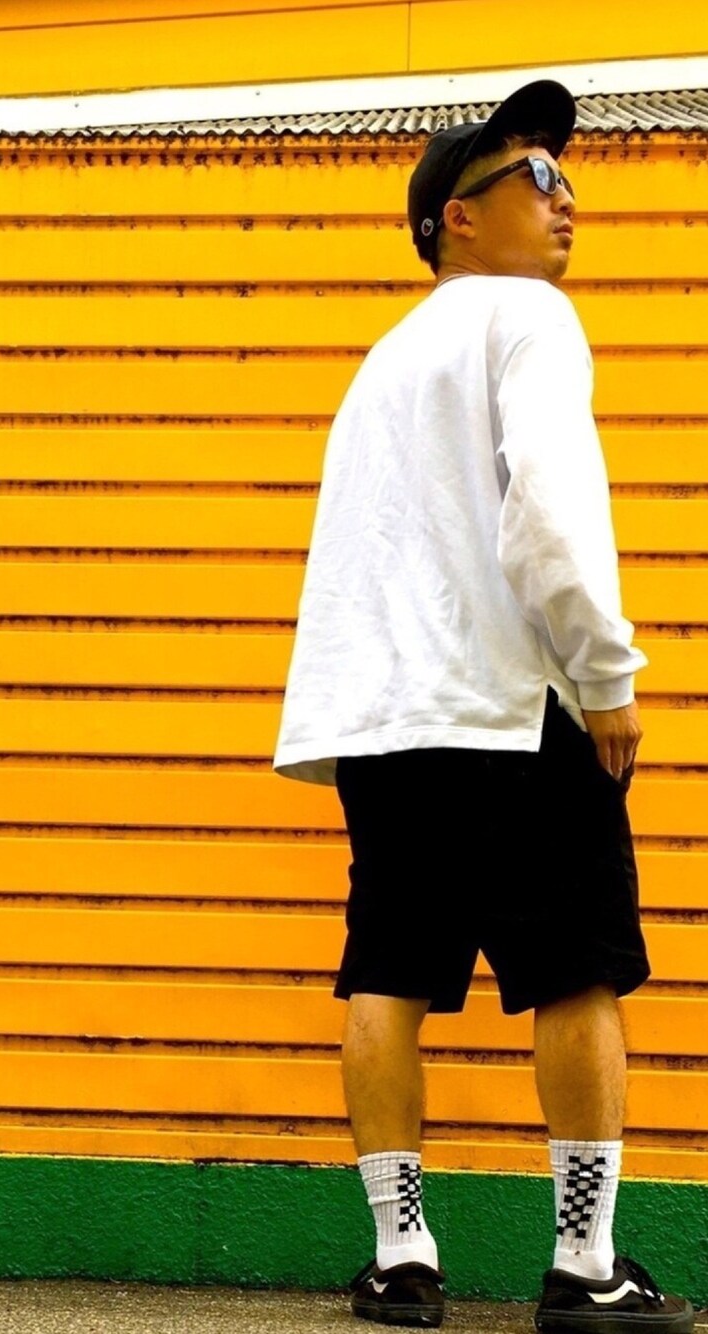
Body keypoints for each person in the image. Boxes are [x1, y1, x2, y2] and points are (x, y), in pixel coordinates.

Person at [272, 79, 694, 1332]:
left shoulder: (384, 363)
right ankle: (584, 1262)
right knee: (576, 975)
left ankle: (400, 1257)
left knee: (389, 976)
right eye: (537, 178)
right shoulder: (530, 317)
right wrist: (605, 677)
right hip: (511, 707)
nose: (567, 200)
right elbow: (549, 518)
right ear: (457, 217)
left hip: (385, 723)